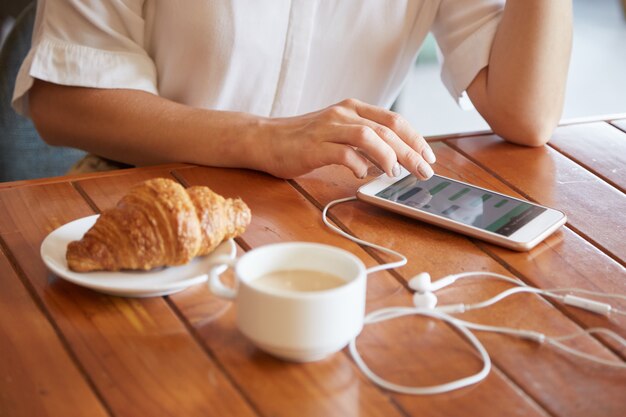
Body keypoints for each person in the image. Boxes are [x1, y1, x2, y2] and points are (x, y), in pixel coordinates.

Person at [12, 0, 572, 181]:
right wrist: (264, 141)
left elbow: (527, 112)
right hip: (147, 197)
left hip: (335, 225)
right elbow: (64, 100)